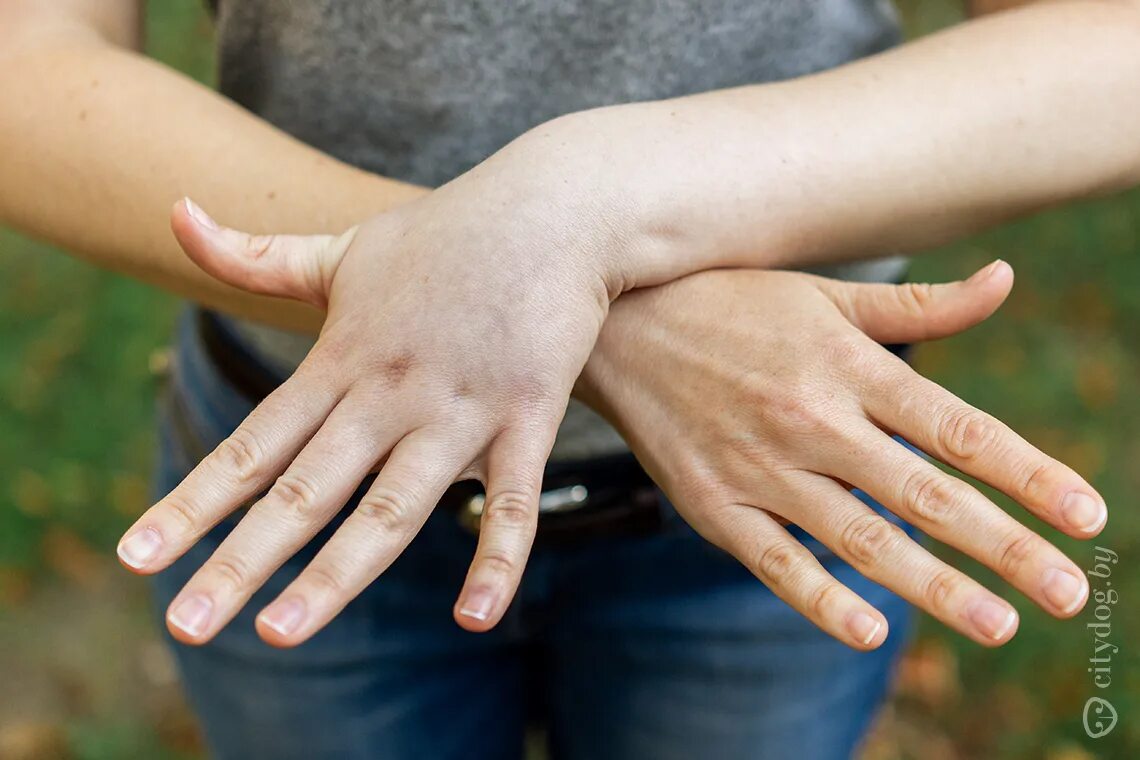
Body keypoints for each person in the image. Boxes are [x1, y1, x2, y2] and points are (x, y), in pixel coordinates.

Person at [1, 0, 1134, 757]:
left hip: (775, 496)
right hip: (322, 476)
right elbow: (28, 67)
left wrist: (600, 198)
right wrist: (540, 274)